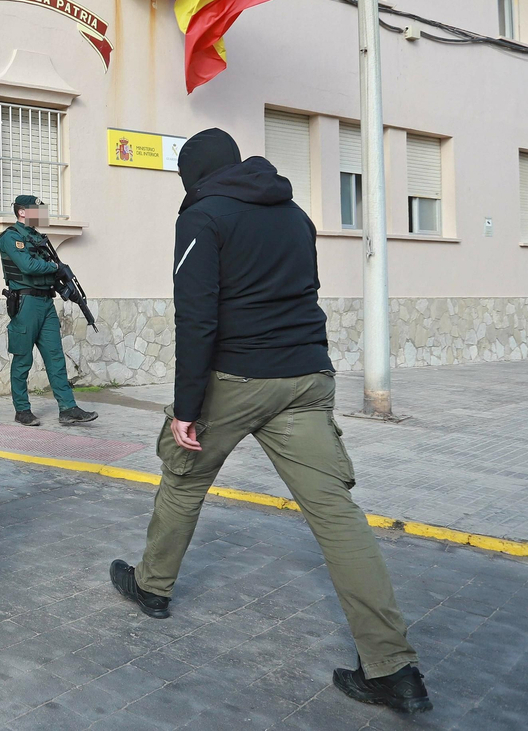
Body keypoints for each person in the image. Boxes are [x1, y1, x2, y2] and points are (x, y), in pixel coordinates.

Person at [109, 128, 430, 714]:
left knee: (183, 477)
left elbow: (196, 315)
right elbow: (302, 291)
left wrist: (186, 407)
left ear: (195, 176)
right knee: (337, 515)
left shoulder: (203, 216)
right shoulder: (296, 214)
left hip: (236, 378)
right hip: (307, 376)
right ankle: (394, 667)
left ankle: (152, 587)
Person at [0, 195, 98, 427]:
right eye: (36, 209)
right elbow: (28, 266)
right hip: (26, 304)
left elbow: (49, 273)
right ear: (22, 212)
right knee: (23, 359)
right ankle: (22, 410)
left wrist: (65, 287)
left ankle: (68, 408)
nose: (42, 214)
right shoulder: (11, 237)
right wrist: (54, 267)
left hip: (45, 303)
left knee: (55, 357)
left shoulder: (38, 238)